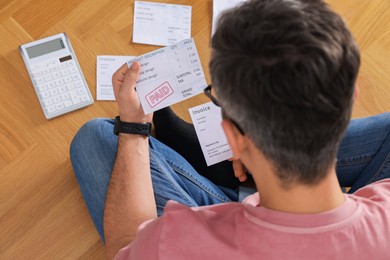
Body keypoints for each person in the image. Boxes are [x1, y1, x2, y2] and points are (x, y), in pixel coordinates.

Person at [70, 0, 390, 258]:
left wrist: (133, 128)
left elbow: (125, 246)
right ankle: (250, 177)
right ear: (351, 99)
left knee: (95, 138)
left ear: (233, 138)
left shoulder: (174, 243)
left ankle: (242, 184)